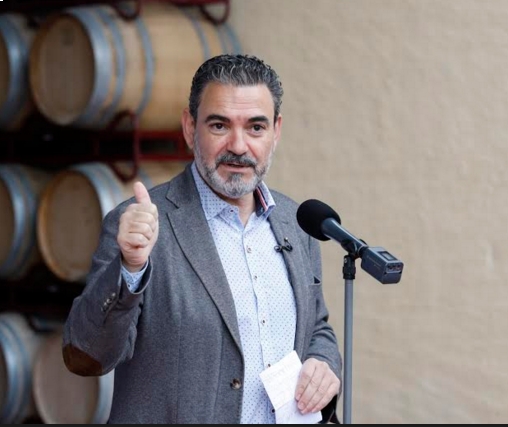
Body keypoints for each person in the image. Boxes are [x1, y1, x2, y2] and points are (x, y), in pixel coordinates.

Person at [63, 54, 342, 424]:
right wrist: (129, 269)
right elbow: (87, 355)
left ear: (276, 131)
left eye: (255, 127)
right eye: (220, 125)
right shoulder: (141, 225)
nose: (239, 146)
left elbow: (316, 326)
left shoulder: (296, 222)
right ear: (189, 127)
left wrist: (323, 363)